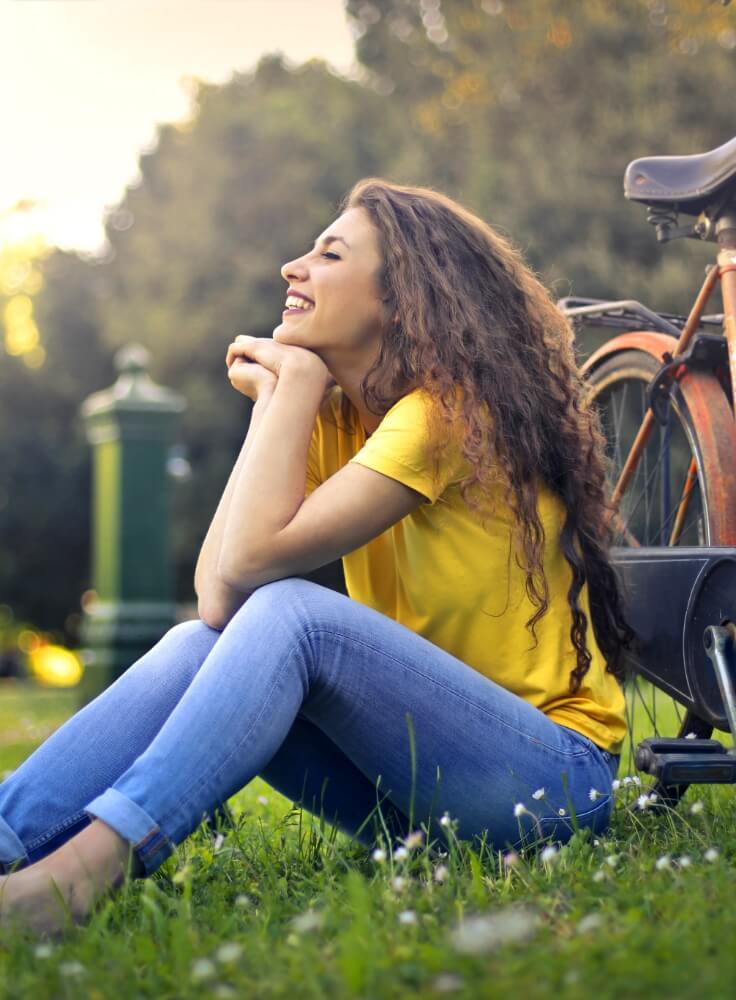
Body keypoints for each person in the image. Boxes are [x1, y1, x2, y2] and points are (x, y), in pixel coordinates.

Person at [0, 179, 629, 936]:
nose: (291, 269)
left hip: (549, 783)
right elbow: (218, 601)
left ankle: (82, 874)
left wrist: (288, 381)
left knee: (297, 614)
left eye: (329, 254)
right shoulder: (336, 418)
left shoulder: (445, 416)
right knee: (203, 642)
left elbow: (261, 575)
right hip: (417, 799)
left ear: (403, 298)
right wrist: (286, 397)